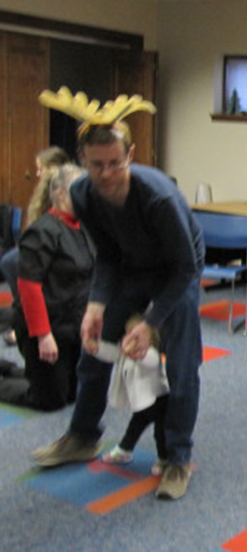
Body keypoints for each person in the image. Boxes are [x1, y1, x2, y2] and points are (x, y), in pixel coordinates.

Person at [30, 119, 205, 501]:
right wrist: (96, 305)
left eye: (115, 163)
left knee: (181, 367)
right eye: (96, 164)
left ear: (130, 156)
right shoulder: (82, 193)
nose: (106, 173)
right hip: (130, 270)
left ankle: (178, 457)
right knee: (95, 353)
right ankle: (82, 436)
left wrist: (150, 322)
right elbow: (107, 255)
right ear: (83, 160)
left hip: (177, 273)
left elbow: (186, 268)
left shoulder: (158, 198)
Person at [1, 164, 93, 411]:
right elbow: (28, 288)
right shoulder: (42, 232)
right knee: (49, 401)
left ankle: (8, 369)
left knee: (71, 395)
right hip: (44, 330)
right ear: (61, 194)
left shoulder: (83, 228)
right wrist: (43, 336)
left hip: (71, 328)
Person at [1, 146, 72, 346]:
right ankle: (23, 312)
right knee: (10, 262)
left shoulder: (63, 191)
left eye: (41, 168)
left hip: (58, 245)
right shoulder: (44, 192)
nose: (38, 173)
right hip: (43, 243)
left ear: (54, 167)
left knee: (13, 263)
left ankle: (26, 317)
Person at [95, 314, 169, 477]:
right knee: (134, 427)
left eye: (135, 337)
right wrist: (96, 347)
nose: (130, 340)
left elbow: (149, 361)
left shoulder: (151, 355)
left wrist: (138, 353)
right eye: (127, 335)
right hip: (142, 401)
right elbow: (112, 353)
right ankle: (124, 449)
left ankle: (164, 459)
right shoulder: (125, 352)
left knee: (160, 433)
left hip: (160, 400)